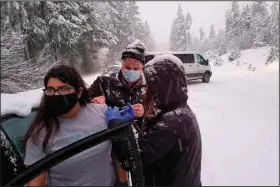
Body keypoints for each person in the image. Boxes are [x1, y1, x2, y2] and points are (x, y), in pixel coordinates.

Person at [105, 54, 202, 186]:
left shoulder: (174, 121)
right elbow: (153, 144)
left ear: (163, 86)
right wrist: (136, 123)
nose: (146, 89)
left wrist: (117, 126)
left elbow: (134, 158)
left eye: (150, 84)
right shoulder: (179, 112)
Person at [22, 65, 123, 186]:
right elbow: (36, 183)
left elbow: (118, 150)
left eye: (63, 89)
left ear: (79, 92)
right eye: (50, 90)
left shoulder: (101, 112)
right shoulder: (39, 134)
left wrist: (123, 182)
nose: (56, 95)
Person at [88, 40, 147, 130]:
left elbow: (156, 114)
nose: (131, 71)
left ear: (142, 68)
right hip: (110, 136)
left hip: (138, 138)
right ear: (121, 64)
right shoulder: (104, 82)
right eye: (127, 67)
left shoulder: (148, 86)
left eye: (136, 69)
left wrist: (144, 112)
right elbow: (83, 105)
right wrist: (93, 103)